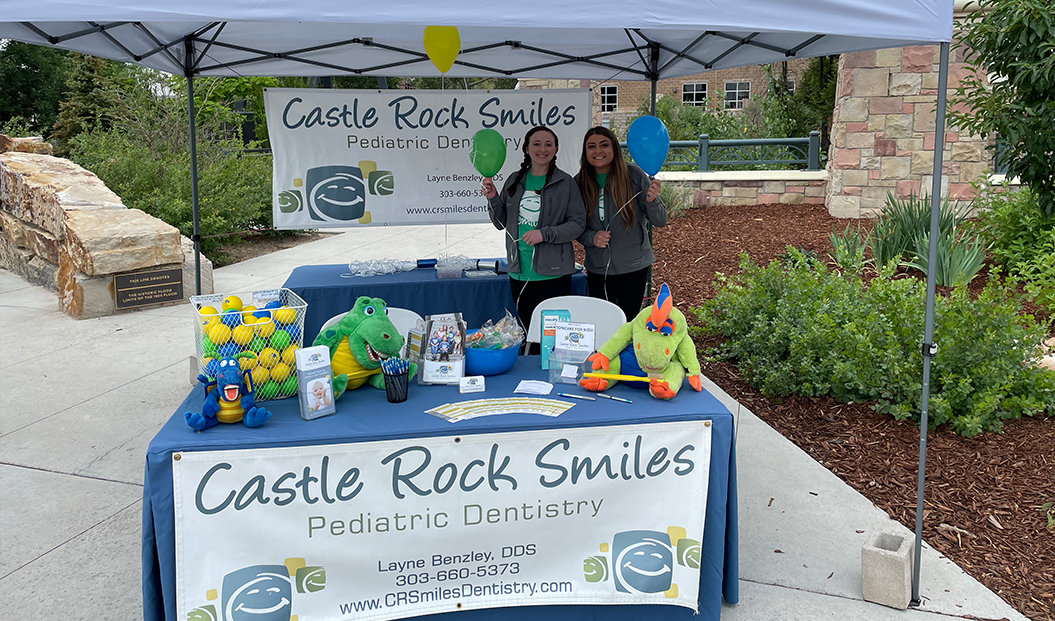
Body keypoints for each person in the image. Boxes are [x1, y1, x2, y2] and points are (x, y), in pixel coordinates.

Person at [482, 125, 586, 330]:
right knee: (528, 331)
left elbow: (578, 224)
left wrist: (544, 234)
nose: (542, 149)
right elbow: (500, 223)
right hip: (519, 272)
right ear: (527, 149)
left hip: (554, 274)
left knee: (551, 335)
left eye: (548, 144)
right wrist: (493, 198)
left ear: (556, 149)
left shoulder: (566, 183)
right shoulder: (514, 180)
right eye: (536, 144)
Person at [574, 126, 667, 322]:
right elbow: (574, 226)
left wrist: (653, 200)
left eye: (604, 145)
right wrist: (591, 237)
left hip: (634, 266)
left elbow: (660, 221)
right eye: (591, 146)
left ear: (614, 148)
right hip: (598, 268)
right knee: (603, 321)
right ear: (585, 152)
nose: (598, 151)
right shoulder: (579, 183)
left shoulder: (633, 176)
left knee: (628, 321)